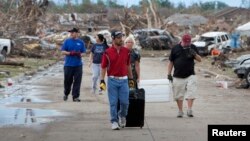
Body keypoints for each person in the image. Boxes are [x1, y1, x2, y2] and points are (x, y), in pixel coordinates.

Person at [100, 30, 133, 130]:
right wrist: (102, 80)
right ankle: (114, 121)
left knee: (125, 102)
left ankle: (122, 116)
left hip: (124, 81)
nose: (121, 39)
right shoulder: (107, 52)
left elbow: (128, 66)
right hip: (112, 80)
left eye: (121, 37)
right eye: (118, 38)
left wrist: (131, 79)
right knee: (113, 102)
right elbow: (104, 67)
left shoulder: (126, 51)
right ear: (113, 39)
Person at [167, 33, 202, 118]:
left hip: (190, 74)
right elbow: (171, 62)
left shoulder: (193, 47)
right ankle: (180, 111)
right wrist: (169, 74)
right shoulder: (175, 49)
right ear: (182, 41)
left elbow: (200, 60)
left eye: (188, 43)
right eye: (186, 43)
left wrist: (194, 54)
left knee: (191, 92)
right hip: (178, 75)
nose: (187, 44)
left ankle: (189, 110)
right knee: (178, 94)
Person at [61, 27, 86, 102]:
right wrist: (70, 53)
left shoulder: (81, 42)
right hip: (68, 65)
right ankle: (66, 93)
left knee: (77, 81)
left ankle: (75, 97)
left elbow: (84, 52)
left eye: (73, 32)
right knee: (68, 81)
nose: (71, 34)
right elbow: (62, 51)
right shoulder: (67, 41)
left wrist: (80, 54)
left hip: (78, 65)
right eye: (70, 32)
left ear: (77, 33)